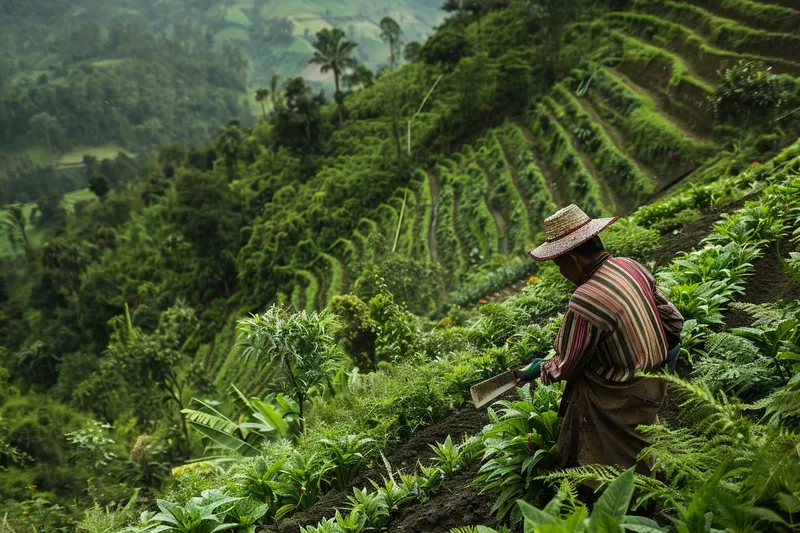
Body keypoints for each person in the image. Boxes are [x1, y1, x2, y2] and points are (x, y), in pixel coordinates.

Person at [514, 204, 683, 476]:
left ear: (573, 260)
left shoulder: (586, 298)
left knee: (605, 441)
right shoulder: (630, 266)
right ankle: (654, 468)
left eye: (559, 265)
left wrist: (540, 368)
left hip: (623, 393)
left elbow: (567, 366)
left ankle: (622, 491)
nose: (562, 272)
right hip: (659, 378)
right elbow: (674, 320)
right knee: (643, 438)